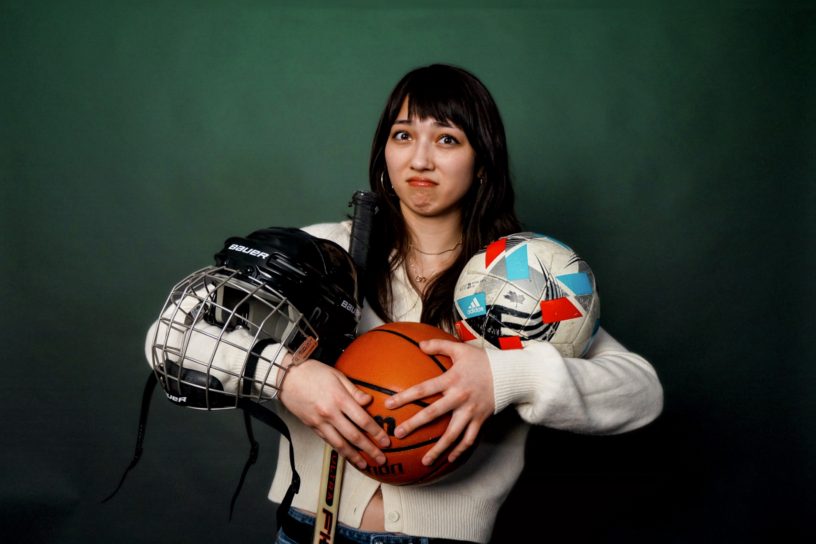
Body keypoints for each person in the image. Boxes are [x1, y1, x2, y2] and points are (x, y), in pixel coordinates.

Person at [147, 64, 663, 543]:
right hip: (308, 529)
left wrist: (507, 377)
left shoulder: (523, 278)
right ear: (384, 153)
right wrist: (284, 375)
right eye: (403, 135)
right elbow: (168, 335)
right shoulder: (323, 255)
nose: (420, 159)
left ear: (482, 161)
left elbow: (641, 393)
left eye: (447, 139)